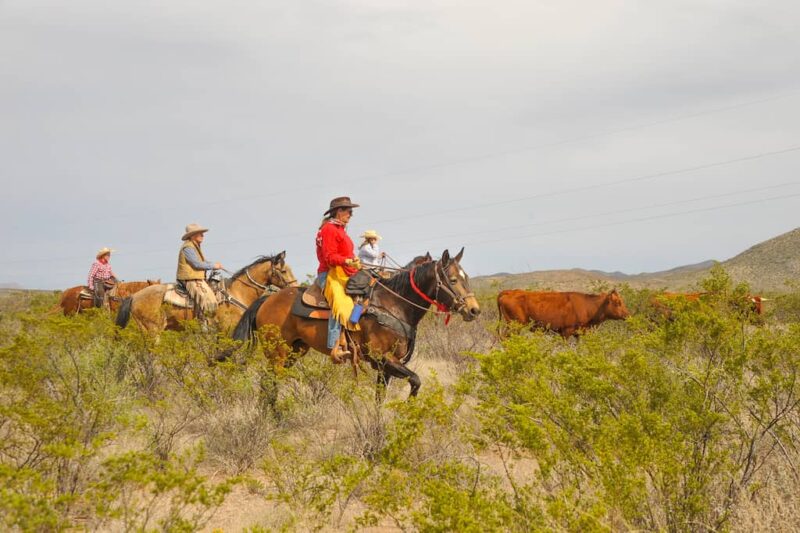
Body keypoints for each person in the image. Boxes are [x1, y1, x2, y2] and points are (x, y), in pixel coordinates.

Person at [315, 196, 361, 363]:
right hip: (328, 274)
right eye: (349, 211)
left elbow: (345, 253)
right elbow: (329, 257)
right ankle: (335, 346)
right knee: (340, 306)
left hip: (344, 272)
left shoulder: (340, 229)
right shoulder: (329, 229)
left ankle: (355, 337)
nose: (351, 214)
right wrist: (346, 261)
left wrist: (354, 261)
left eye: (351, 211)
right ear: (338, 212)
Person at [176, 223, 224, 326]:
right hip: (189, 279)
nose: (203, 235)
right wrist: (213, 266)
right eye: (200, 233)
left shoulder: (194, 246)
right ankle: (203, 323)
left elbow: (202, 261)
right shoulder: (188, 247)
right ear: (193, 235)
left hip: (195, 278)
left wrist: (213, 264)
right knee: (207, 298)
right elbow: (197, 264)